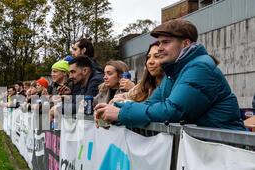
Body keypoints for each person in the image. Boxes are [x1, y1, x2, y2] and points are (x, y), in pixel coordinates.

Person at [95, 19, 245, 131]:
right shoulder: (174, 70)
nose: (159, 48)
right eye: (159, 43)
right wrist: (115, 110)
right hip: (204, 153)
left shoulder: (200, 67)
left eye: (165, 42)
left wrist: (121, 114)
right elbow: (150, 105)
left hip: (225, 153)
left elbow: (172, 111)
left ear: (186, 44)